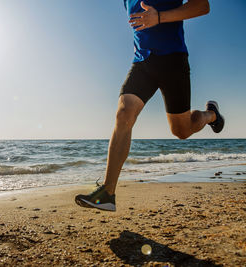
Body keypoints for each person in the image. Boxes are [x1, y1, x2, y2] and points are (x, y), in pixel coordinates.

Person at [75, 0, 224, 212]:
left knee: (181, 130)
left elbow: (202, 6)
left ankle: (211, 115)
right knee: (124, 113)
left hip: (173, 60)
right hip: (142, 62)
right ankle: (108, 193)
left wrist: (159, 17)